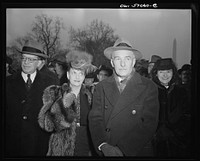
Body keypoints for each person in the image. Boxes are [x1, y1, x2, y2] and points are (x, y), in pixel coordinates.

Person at [88, 38, 160, 156]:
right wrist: (102, 145)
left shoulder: (148, 87)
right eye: (118, 58)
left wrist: (122, 150)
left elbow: (149, 123)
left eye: (127, 58)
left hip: (136, 150)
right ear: (112, 62)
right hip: (107, 149)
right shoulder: (101, 86)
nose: (122, 64)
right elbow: (95, 118)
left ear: (133, 62)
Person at [5, 40, 59, 157]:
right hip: (12, 145)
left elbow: (54, 115)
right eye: (24, 58)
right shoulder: (8, 83)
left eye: (31, 59)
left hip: (40, 145)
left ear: (39, 62)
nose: (26, 62)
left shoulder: (51, 82)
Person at [38, 50, 97, 156]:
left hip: (86, 148)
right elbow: (47, 125)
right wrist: (63, 105)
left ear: (84, 77)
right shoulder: (55, 93)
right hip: (61, 150)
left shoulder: (91, 95)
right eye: (74, 72)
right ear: (68, 75)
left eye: (81, 73)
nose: (77, 77)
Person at [151, 58, 191, 157]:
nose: (165, 75)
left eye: (168, 71)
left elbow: (187, 115)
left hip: (178, 142)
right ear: (156, 73)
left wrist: (175, 133)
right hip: (155, 142)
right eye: (161, 72)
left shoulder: (181, 92)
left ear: (173, 73)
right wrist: (156, 133)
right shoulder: (150, 91)